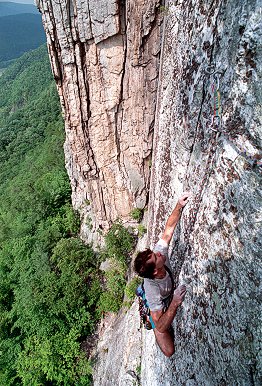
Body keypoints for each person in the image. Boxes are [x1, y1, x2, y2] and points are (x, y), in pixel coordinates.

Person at [134, 192, 191, 357]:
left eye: (154, 253)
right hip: (159, 303)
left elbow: (168, 230)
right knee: (168, 350)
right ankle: (148, 320)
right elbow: (160, 326)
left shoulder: (159, 254)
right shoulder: (152, 289)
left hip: (165, 295)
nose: (159, 253)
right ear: (154, 271)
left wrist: (179, 205)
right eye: (155, 257)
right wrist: (174, 303)